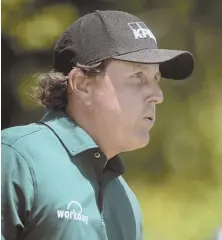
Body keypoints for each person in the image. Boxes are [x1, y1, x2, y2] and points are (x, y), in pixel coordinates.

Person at [1, 10, 194, 240]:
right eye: (138, 76)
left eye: (156, 79)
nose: (158, 95)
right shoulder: (15, 158)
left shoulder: (127, 203)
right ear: (82, 84)